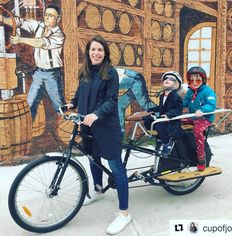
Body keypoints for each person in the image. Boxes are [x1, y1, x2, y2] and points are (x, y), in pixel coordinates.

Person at [65, 35, 131, 235]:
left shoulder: (110, 72)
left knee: (116, 168)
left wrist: (97, 114)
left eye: (100, 50)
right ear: (88, 52)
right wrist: (71, 104)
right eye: (93, 49)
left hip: (105, 127)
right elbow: (80, 93)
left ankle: (125, 213)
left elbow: (112, 100)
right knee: (93, 160)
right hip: (87, 124)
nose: (96, 53)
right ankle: (98, 190)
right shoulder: (85, 71)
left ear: (105, 53)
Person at [0, 4, 65, 121]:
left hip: (52, 75)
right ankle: (27, 132)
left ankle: (73, 130)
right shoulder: (39, 26)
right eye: (46, 15)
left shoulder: (59, 36)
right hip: (38, 73)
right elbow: (20, 22)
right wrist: (3, 19)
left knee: (60, 108)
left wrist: (20, 40)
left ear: (58, 19)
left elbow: (41, 43)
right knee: (29, 107)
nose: (46, 17)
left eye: (50, 16)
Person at [183, 66, 216, 171]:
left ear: (203, 80)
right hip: (193, 116)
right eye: (191, 79)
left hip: (205, 118)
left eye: (197, 79)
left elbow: (211, 104)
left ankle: (201, 158)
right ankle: (180, 148)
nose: (194, 82)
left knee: (197, 131)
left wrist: (202, 110)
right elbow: (184, 102)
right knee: (176, 122)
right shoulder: (190, 91)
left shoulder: (208, 91)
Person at [144, 71, 184, 156]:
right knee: (147, 120)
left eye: (171, 79)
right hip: (163, 119)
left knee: (159, 125)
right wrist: (151, 109)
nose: (167, 80)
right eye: (166, 78)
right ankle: (158, 138)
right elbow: (161, 107)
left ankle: (167, 143)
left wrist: (169, 114)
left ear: (175, 84)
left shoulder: (176, 97)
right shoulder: (162, 96)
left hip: (171, 121)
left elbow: (178, 109)